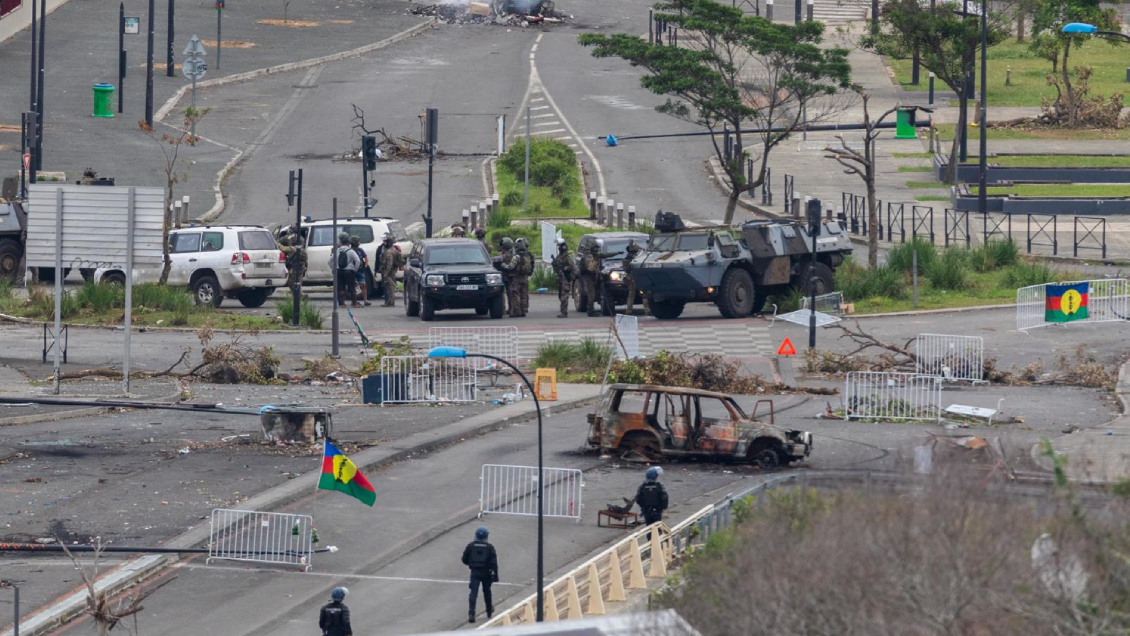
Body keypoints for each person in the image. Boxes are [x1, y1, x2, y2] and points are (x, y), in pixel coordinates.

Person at [462, 526, 498, 623]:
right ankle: (489, 611)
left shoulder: (471, 546)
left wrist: (471, 564)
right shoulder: (490, 547)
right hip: (486, 573)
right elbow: (494, 563)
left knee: (473, 593)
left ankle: (471, 613)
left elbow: (464, 559)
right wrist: (495, 576)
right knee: (487, 592)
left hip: (474, 572)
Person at [330, 233, 362, 308]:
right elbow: (357, 261)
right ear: (348, 243)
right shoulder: (351, 251)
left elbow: (329, 261)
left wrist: (334, 268)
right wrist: (355, 269)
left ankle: (342, 303)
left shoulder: (337, 251)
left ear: (341, 242)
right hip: (349, 271)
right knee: (352, 288)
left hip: (339, 271)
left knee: (341, 288)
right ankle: (354, 303)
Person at [551, 238, 573, 319]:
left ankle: (564, 312)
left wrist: (565, 269)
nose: (558, 248)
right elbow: (556, 268)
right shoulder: (559, 256)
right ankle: (563, 311)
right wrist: (554, 264)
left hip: (565, 278)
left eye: (559, 247)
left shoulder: (567, 256)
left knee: (564, 296)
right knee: (560, 295)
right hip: (560, 278)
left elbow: (571, 266)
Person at [379, 233, 402, 307]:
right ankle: (390, 301)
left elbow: (389, 264)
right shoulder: (394, 250)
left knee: (390, 287)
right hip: (392, 270)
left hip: (389, 272)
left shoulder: (389, 252)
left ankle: (391, 302)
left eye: (386, 242)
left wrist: (386, 274)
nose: (384, 243)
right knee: (390, 286)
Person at [350, 236, 372, 307]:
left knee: (363, 285)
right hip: (352, 270)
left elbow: (365, 258)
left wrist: (365, 265)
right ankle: (354, 301)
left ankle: (365, 300)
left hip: (360, 270)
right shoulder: (350, 251)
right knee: (353, 286)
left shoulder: (360, 250)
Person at [620, 239, 641, 315]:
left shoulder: (627, 258)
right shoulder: (633, 258)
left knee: (631, 294)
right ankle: (647, 310)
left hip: (632, 277)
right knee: (643, 294)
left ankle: (629, 311)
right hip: (634, 278)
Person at [514, 237, 534, 317]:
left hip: (517, 276)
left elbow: (512, 266)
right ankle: (524, 309)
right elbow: (532, 265)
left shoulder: (516, 255)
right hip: (525, 276)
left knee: (516, 293)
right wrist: (529, 273)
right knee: (524, 293)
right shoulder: (528, 254)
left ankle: (517, 310)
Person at [496, 237, 515, 315]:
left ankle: (502, 309)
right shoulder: (513, 255)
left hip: (503, 275)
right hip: (511, 276)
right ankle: (511, 309)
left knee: (502, 293)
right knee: (510, 294)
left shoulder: (502, 256)